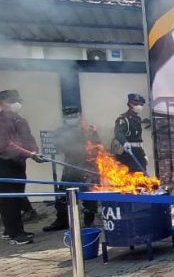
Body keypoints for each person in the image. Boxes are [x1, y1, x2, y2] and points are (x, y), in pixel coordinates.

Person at [44, 107, 101, 232]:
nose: (71, 119)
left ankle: (89, 221)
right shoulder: (60, 131)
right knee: (63, 195)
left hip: (87, 166)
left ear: (79, 115)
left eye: (73, 116)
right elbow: (57, 148)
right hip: (70, 166)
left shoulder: (89, 130)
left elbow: (97, 146)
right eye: (68, 116)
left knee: (89, 195)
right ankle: (62, 221)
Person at [0, 89, 44, 245]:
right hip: (4, 164)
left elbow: (27, 137)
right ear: (2, 103)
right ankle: (15, 235)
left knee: (17, 197)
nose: (16, 104)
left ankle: (11, 230)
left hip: (18, 163)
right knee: (9, 200)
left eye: (18, 101)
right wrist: (29, 154)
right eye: (12, 101)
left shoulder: (18, 119)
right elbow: (5, 145)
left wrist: (34, 152)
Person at [114, 93, 147, 172]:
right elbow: (118, 132)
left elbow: (138, 138)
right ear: (130, 104)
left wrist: (143, 154)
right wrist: (124, 142)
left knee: (142, 174)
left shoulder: (138, 119)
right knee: (131, 174)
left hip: (139, 152)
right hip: (128, 153)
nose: (139, 106)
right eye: (136, 104)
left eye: (141, 104)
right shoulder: (123, 119)